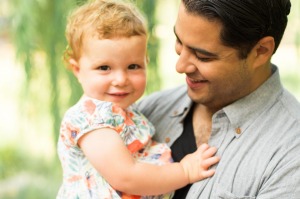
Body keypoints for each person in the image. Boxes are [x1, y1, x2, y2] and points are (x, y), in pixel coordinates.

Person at [56, 0, 220, 198]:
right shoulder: (90, 120)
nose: (120, 79)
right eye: (104, 68)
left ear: (146, 63)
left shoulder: (124, 112)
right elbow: (126, 177)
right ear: (77, 70)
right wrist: (184, 171)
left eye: (133, 66)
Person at [137, 0, 300, 198]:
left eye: (202, 56)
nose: (180, 66)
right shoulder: (147, 112)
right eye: (179, 41)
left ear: (261, 51)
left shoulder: (291, 155)